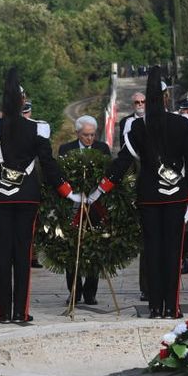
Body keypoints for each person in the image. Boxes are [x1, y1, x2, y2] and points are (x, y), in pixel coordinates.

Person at [93, 67, 188, 319]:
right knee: (173, 250)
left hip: (149, 196)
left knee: (152, 251)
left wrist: (100, 188)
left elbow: (123, 161)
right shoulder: (181, 123)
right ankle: (171, 306)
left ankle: (154, 306)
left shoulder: (137, 127)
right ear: (165, 98)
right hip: (176, 196)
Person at [0, 70, 72, 323]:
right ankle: (21, 310)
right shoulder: (36, 128)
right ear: (22, 102)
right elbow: (47, 163)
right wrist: (64, 188)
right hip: (27, 196)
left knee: (3, 255)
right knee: (22, 254)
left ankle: (3, 312)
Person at [57, 116, 110, 305]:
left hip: (95, 205)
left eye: (92, 135)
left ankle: (90, 292)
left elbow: (107, 174)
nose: (89, 139)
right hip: (73, 203)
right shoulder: (66, 149)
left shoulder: (102, 149)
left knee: (94, 247)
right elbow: (60, 175)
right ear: (77, 133)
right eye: (86, 135)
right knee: (72, 248)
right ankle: (74, 291)